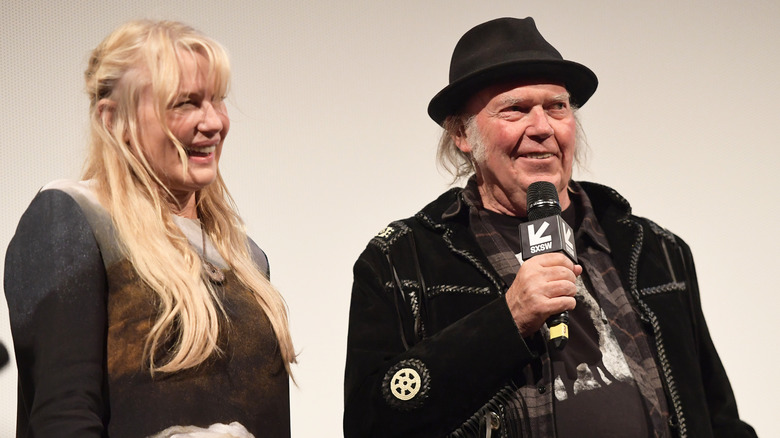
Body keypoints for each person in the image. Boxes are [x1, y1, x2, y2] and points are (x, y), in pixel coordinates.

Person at [343, 17, 756, 437]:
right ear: (461, 134)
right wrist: (507, 320)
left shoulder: (655, 249)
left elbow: (716, 415)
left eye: (556, 106)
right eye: (516, 109)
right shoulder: (403, 260)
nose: (542, 127)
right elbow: (371, 421)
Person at [4, 20, 295, 438]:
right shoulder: (74, 217)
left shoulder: (247, 258)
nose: (213, 122)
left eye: (217, 100)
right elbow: (64, 418)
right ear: (113, 119)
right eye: (185, 103)